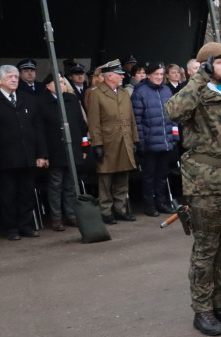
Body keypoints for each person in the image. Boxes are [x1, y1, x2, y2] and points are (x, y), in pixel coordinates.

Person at [163, 42, 221, 337]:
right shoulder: (196, 92)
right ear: (206, 65)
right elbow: (172, 111)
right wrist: (199, 79)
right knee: (206, 249)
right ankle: (203, 309)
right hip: (205, 184)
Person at [0, 64, 49, 240]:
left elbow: (38, 129)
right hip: (5, 159)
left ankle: (25, 226)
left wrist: (41, 154)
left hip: (28, 156)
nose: (14, 80)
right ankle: (11, 228)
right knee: (8, 196)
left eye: (16, 77)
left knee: (26, 194)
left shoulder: (29, 99)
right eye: (10, 77)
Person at [88, 62, 139, 223]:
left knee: (123, 177)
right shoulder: (96, 94)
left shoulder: (123, 93)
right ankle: (106, 211)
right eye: (119, 74)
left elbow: (131, 119)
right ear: (109, 76)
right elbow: (94, 121)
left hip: (124, 139)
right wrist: (97, 144)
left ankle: (120, 209)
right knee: (106, 178)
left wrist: (134, 139)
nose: (123, 76)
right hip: (108, 141)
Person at [39, 74, 87, 230]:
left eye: (63, 82)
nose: (62, 84)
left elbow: (81, 124)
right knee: (55, 185)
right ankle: (56, 218)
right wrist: (43, 154)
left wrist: (84, 146)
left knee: (71, 185)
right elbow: (40, 132)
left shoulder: (72, 99)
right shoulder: (42, 102)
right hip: (54, 151)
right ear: (48, 86)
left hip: (73, 148)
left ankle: (72, 215)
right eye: (57, 82)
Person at [131, 61, 177, 216]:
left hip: (165, 142)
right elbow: (137, 120)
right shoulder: (140, 92)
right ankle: (149, 205)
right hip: (149, 143)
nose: (159, 77)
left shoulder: (166, 90)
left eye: (161, 74)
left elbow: (173, 115)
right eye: (156, 74)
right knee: (149, 176)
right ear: (149, 75)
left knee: (163, 175)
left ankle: (162, 202)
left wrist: (174, 136)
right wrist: (141, 142)